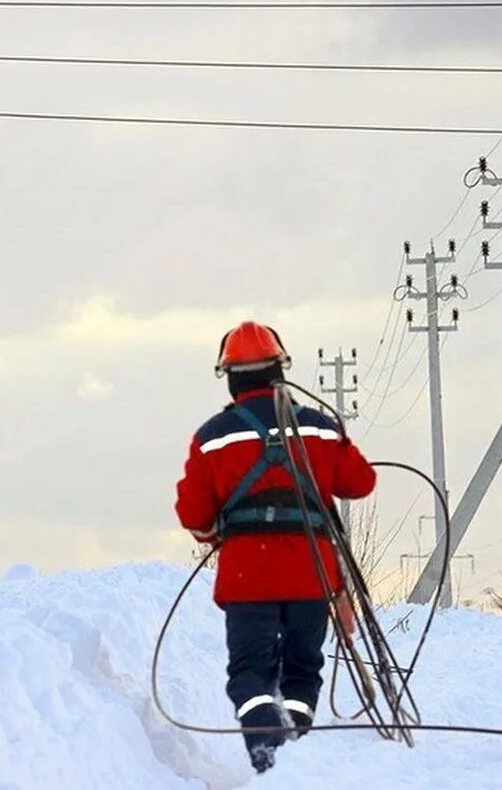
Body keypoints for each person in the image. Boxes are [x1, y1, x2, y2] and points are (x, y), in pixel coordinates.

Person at [175, 321, 376, 773]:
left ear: (229, 375)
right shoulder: (321, 428)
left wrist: (216, 534)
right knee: (303, 668)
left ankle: (267, 751)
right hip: (312, 572)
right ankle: (296, 752)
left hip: (248, 577)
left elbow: (193, 514)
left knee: (251, 672)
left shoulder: (211, 436)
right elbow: (360, 483)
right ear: (280, 371)